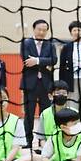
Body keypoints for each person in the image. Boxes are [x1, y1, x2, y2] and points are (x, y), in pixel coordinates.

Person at [20, 19, 58, 148]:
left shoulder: (50, 44)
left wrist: (36, 60)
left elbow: (54, 60)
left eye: (44, 30)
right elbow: (26, 60)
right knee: (28, 114)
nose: (41, 32)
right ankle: (28, 141)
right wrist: (44, 63)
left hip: (46, 84)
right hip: (30, 84)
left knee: (46, 114)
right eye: (39, 29)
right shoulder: (26, 42)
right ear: (34, 29)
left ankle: (45, 141)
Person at [34, 80, 71, 148]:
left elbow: (77, 138)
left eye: (64, 93)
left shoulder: (74, 113)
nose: (61, 95)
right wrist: (47, 150)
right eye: (58, 93)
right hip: (49, 150)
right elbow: (42, 138)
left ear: (67, 96)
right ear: (50, 96)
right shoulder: (45, 114)